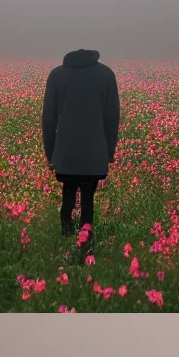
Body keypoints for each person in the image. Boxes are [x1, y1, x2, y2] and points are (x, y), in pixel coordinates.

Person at [41, 49, 120, 248]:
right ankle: (85, 247)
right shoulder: (106, 75)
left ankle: (66, 241)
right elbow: (112, 118)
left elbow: (49, 118)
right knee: (88, 199)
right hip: (94, 153)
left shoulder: (57, 75)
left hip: (65, 153)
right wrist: (109, 152)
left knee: (68, 194)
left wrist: (51, 154)